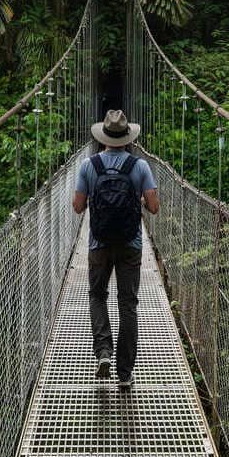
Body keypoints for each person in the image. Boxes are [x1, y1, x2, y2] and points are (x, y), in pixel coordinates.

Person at [72, 109, 159, 390]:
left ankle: (104, 353)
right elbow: (154, 207)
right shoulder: (140, 166)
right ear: (127, 138)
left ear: (103, 137)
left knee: (97, 295)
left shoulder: (89, 165)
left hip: (98, 243)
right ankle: (124, 373)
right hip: (131, 245)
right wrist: (139, 202)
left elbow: (77, 207)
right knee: (128, 305)